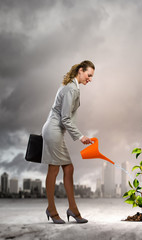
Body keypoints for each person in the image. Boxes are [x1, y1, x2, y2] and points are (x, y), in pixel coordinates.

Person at [42, 60, 95, 224]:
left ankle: (72, 208)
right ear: (81, 70)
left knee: (68, 169)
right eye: (89, 75)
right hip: (54, 130)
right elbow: (65, 118)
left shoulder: (71, 86)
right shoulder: (71, 89)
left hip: (55, 131)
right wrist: (80, 136)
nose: (90, 79)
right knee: (54, 169)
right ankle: (52, 209)